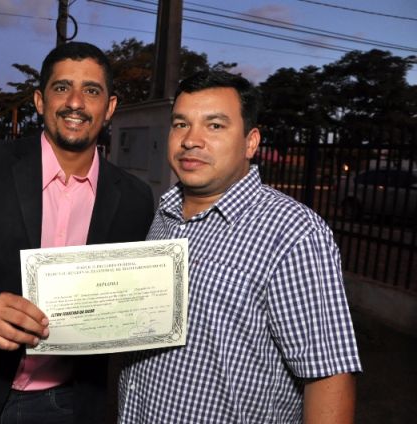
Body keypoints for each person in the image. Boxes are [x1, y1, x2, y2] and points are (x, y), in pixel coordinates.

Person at [0, 41, 154, 424]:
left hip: (70, 403)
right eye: (62, 87)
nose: (75, 102)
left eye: (91, 90)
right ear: (40, 100)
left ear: (110, 107)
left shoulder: (135, 199)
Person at [118, 70, 362, 423]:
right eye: (181, 124)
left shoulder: (293, 233)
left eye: (215, 125)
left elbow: (328, 376)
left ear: (251, 142)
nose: (191, 140)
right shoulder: (164, 214)